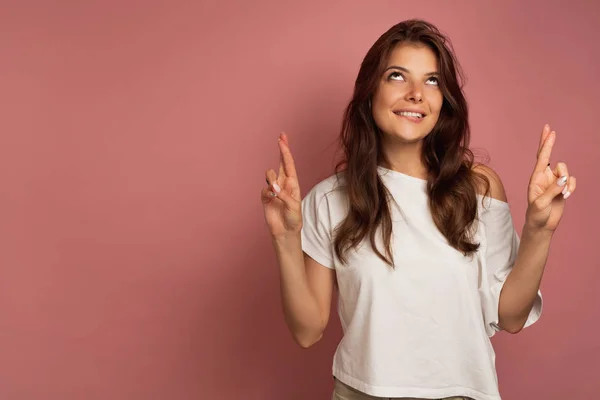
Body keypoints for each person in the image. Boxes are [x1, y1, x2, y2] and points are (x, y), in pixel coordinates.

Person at [260, 19, 576, 400]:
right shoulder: (330, 199)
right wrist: (284, 237)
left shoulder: (478, 188)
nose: (415, 94)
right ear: (369, 91)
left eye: (431, 81)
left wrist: (540, 230)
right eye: (397, 76)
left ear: (444, 100)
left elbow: (510, 315)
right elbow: (308, 331)